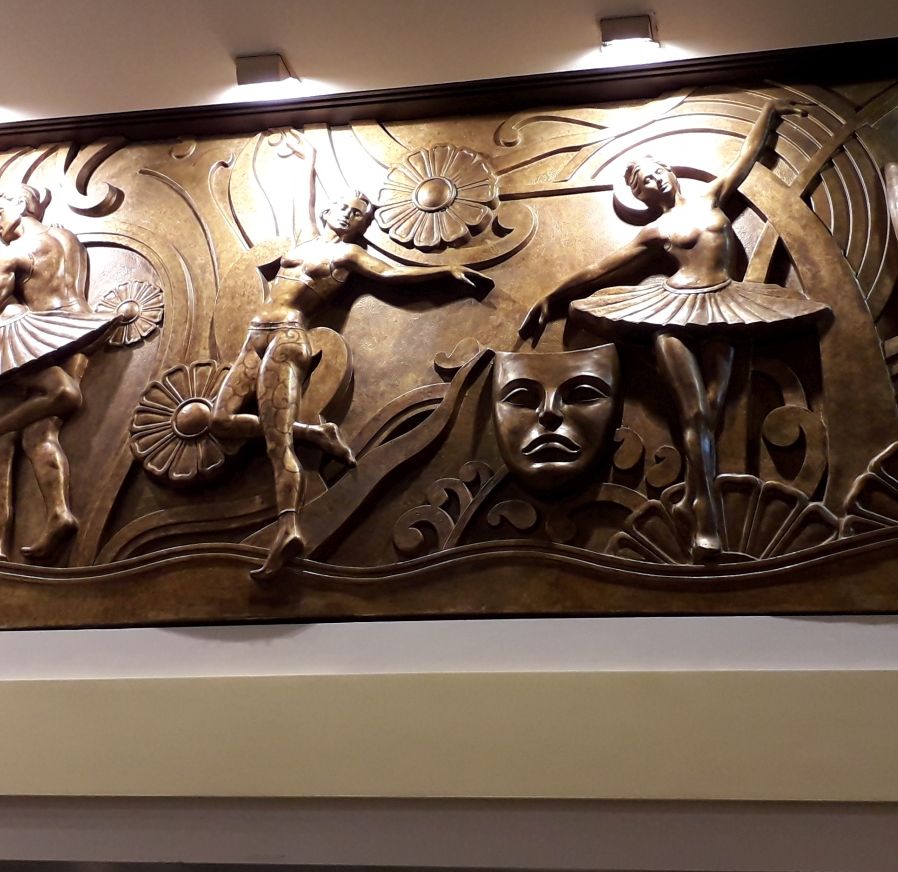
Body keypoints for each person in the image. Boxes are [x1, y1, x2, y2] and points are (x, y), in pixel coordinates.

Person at [519, 94, 827, 558]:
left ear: (669, 171)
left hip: (723, 308)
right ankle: (706, 518)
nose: (654, 180)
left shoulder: (711, 196)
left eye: (655, 171)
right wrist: (552, 295)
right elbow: (600, 270)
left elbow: (747, 155)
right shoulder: (656, 232)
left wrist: (769, 112)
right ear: (641, 197)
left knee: (713, 409)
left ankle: (691, 497)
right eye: (643, 182)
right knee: (696, 414)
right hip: (672, 313)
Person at [211, 189, 491, 577]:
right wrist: (307, 158)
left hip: (287, 338)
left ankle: (288, 529)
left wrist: (445, 270)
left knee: (278, 444)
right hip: (255, 336)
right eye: (344, 208)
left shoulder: (347, 255)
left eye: (358, 214)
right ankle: (314, 433)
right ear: (329, 209)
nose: (348, 215)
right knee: (219, 421)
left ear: (363, 225)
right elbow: (305, 189)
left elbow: (390, 274)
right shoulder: (305, 238)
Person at [0, 184, 119, 560]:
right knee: (39, 433)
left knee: (14, 383)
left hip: (41, 335)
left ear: (19, 205)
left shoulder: (15, 253)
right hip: (81, 329)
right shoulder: (67, 237)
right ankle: (58, 514)